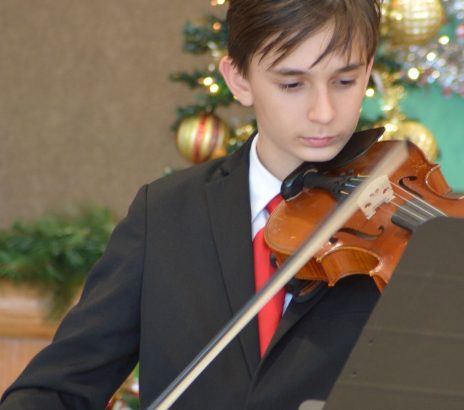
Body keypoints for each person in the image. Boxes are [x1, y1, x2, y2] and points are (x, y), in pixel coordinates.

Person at [1, 0, 382, 408]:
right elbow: (55, 390)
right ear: (238, 79)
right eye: (292, 84)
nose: (324, 112)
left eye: (345, 81)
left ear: (368, 70)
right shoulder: (163, 216)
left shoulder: (394, 229)